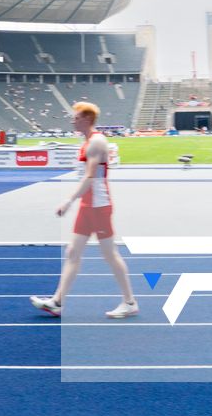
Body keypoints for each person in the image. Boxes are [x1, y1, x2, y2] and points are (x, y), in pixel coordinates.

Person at [31, 101, 139, 319]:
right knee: (72, 252)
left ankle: (129, 302)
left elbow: (90, 177)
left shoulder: (96, 142)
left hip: (99, 206)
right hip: (87, 206)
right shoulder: (87, 142)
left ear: (87, 119)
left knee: (109, 254)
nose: (73, 121)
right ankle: (57, 302)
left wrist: (68, 201)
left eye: (77, 118)